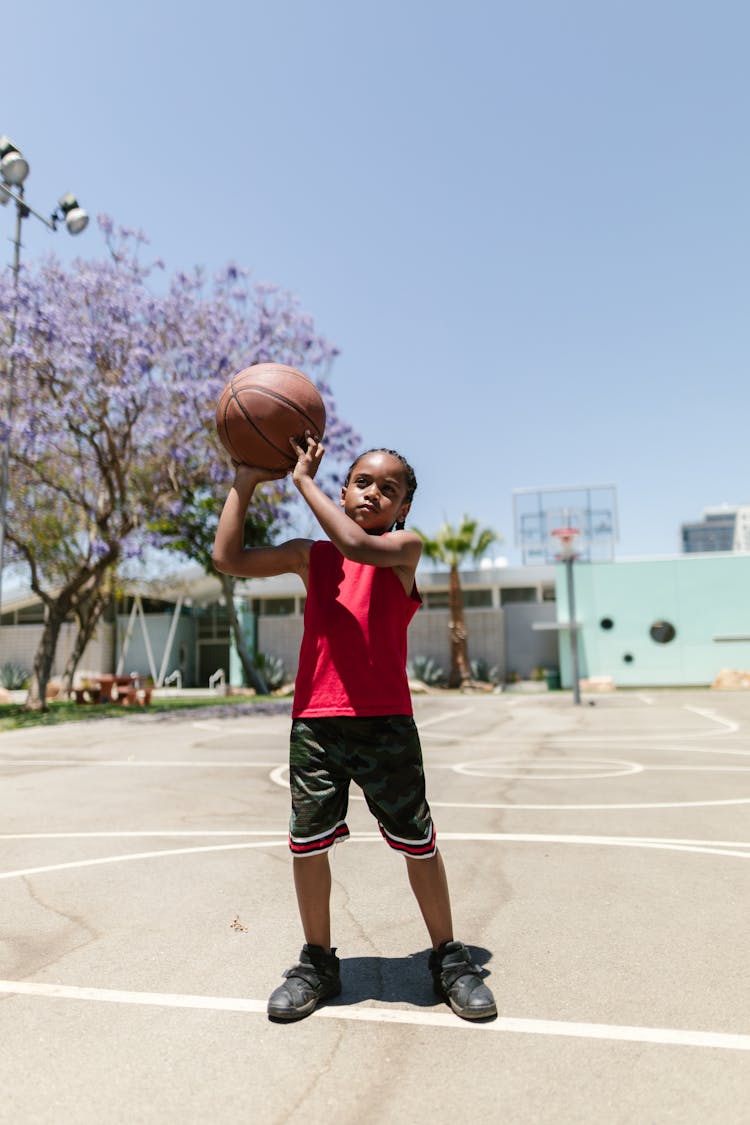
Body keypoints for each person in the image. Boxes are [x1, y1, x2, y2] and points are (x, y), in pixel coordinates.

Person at [212, 433, 496, 1022]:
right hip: (316, 723)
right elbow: (228, 559)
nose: (372, 493)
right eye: (362, 482)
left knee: (418, 842)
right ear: (344, 490)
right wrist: (243, 479)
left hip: (385, 723)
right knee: (308, 846)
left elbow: (357, 546)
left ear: (404, 509)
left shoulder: (402, 549)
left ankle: (448, 956)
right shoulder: (307, 556)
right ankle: (318, 961)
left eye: (388, 489)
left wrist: (302, 482)